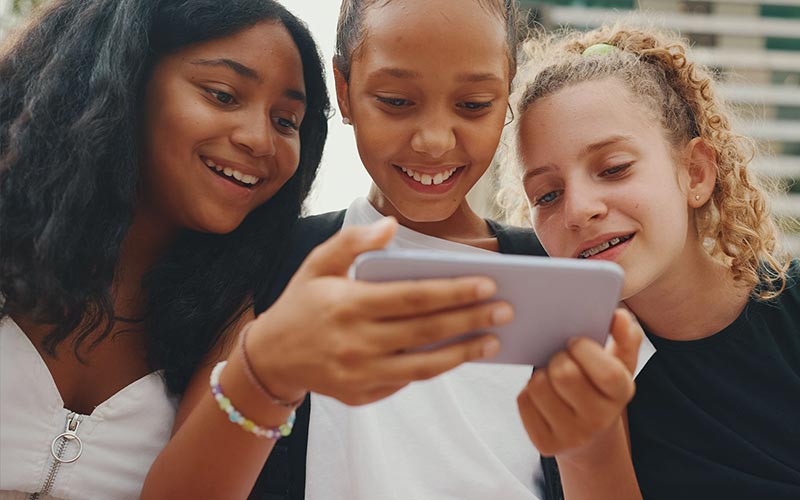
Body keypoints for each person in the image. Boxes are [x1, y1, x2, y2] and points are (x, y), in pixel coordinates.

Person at [1, 1, 506, 498]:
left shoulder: (242, 295)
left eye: (286, 121)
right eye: (222, 95)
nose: (259, 140)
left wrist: (264, 379)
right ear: (123, 78)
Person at [249, 2, 644, 499]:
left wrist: (594, 443)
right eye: (395, 101)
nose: (434, 141)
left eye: (474, 104)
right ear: (344, 91)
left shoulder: (562, 278)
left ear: (508, 94)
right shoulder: (277, 262)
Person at [499, 22, 800, 500]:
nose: (579, 209)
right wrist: (590, 447)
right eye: (548, 194)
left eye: (613, 169)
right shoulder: (566, 374)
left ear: (696, 173)